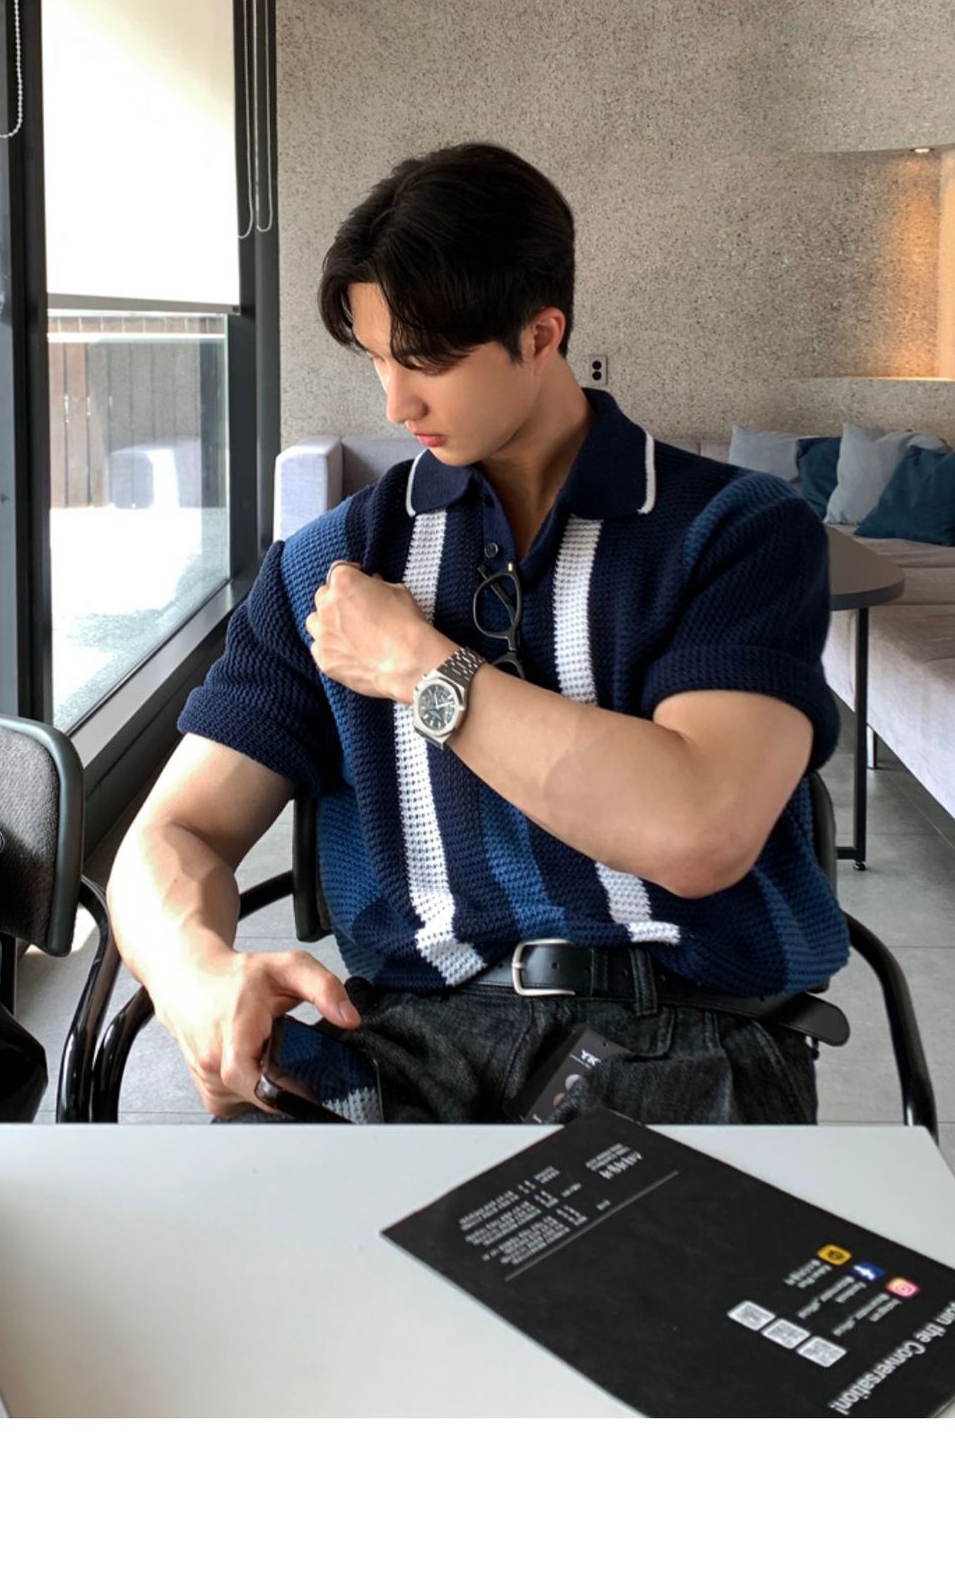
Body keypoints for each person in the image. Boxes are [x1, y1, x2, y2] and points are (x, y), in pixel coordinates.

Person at [107, 141, 848, 1124]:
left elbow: (697, 833)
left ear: (540, 334)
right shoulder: (330, 565)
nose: (395, 402)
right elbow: (174, 833)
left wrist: (420, 668)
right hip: (406, 1044)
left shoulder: (733, 530)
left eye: (430, 362)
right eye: (377, 357)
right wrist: (194, 972)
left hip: (682, 1029)